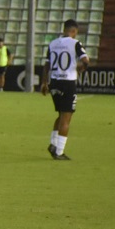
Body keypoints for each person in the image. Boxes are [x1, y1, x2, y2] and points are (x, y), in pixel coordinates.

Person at [40, 19, 89, 161]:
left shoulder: (53, 43)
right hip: (67, 83)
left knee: (61, 115)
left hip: (54, 82)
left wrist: (44, 83)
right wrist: (81, 69)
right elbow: (86, 61)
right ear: (74, 31)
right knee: (67, 118)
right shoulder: (75, 43)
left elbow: (47, 65)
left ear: (64, 29)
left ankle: (53, 144)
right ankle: (59, 152)